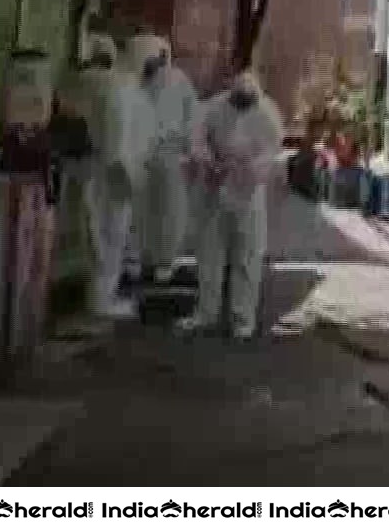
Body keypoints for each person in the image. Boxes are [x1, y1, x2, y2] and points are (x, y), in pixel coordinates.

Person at [176, 70, 284, 341]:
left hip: (248, 193)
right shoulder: (213, 107)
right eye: (237, 101)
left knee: (247, 257)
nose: (241, 107)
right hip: (213, 188)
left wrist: (245, 169)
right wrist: (208, 161)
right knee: (209, 253)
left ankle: (242, 320)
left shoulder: (268, 114)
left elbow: (270, 153)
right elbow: (197, 139)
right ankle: (206, 312)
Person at [77, 34, 145, 320]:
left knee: (94, 233)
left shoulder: (77, 82)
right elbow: (121, 132)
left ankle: (97, 294)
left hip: (88, 166)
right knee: (112, 234)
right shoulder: (120, 84)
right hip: (115, 168)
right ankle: (101, 299)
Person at [132, 33, 197, 285]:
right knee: (144, 209)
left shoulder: (177, 80)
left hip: (169, 153)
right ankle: (142, 260)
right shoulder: (137, 81)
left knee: (168, 210)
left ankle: (162, 262)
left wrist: (189, 149)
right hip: (145, 153)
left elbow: (191, 115)